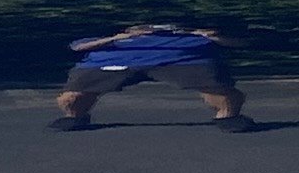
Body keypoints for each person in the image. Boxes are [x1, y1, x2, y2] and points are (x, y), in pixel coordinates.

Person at [56, 20, 256, 131]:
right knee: (73, 97)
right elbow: (78, 46)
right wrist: (120, 37)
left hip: (184, 58)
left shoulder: (193, 32)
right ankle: (75, 117)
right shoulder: (114, 35)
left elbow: (240, 43)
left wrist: (207, 35)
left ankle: (228, 117)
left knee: (220, 91)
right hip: (114, 59)